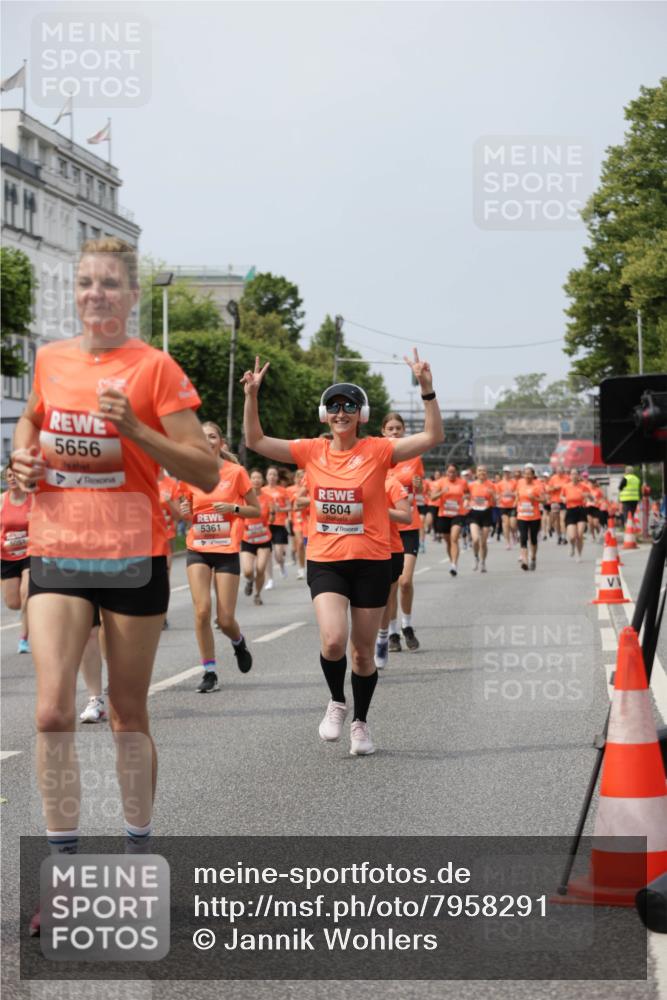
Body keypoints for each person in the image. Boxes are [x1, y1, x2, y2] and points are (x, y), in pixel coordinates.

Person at [11, 236, 218, 934]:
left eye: (109, 284)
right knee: (51, 714)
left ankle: (135, 866)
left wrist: (135, 428)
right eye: (85, 283)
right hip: (57, 554)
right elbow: (33, 420)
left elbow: (205, 472)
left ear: (131, 297)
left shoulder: (155, 369)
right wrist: (20, 461)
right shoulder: (50, 359)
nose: (96, 294)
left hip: (132, 558)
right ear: (75, 294)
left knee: (127, 718)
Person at [242, 350, 444, 756]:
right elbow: (256, 441)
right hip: (327, 560)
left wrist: (427, 390)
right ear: (324, 415)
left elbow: (432, 438)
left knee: (363, 653)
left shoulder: (378, 451)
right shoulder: (310, 451)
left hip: (371, 561)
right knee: (334, 642)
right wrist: (251, 396)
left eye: (349, 406)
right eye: (333, 406)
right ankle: (337, 701)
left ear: (361, 414)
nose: (341, 412)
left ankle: (361, 723)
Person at [179, 421, 259, 692]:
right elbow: (188, 515)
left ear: (220, 442)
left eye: (212, 436)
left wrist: (233, 507)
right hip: (198, 548)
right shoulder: (189, 474)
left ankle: (238, 642)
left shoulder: (236, 473)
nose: (207, 440)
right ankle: (209, 671)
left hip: (226, 551)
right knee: (201, 610)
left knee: (225, 619)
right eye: (202, 437)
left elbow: (256, 510)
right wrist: (184, 511)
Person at [380, 412, 425, 652]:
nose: (395, 432)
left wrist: (419, 486)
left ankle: (407, 625)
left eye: (399, 428)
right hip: (386, 528)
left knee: (405, 581)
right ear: (383, 432)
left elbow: (419, 487)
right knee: (391, 585)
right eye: (391, 429)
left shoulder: (413, 456)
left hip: (408, 525)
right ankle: (393, 632)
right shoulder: (378, 458)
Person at [374, 477, 411, 669]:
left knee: (386, 597)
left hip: (389, 549)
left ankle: (382, 638)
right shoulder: (349, 479)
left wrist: (379, 511)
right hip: (357, 548)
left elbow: (406, 516)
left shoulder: (391, 483)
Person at [1, 460, 33, 653]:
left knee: (26, 592)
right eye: (9, 475)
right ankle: (35, 612)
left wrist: (28, 540)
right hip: (6, 556)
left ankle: (24, 639)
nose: (12, 478)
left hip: (30, 553)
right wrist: (5, 544)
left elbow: (41, 525)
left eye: (16, 475)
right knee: (14, 603)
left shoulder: (33, 499)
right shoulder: (1, 501)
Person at [240, 468, 274, 605]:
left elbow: (272, 516)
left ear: (262, 481)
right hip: (247, 538)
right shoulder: (244, 498)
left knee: (260, 569)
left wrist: (271, 517)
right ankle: (249, 581)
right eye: (253, 478)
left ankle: (257, 594)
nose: (256, 480)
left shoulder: (268, 498)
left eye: (259, 478)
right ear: (249, 481)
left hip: (264, 538)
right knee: (248, 571)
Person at [429, 464, 469, 577]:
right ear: (446, 472)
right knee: (447, 541)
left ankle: (454, 565)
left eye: (453, 472)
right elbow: (432, 498)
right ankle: (452, 560)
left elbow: (467, 493)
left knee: (454, 538)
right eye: (449, 472)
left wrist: (466, 500)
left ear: (456, 472)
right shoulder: (441, 482)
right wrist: (442, 492)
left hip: (457, 514)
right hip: (444, 514)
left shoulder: (462, 482)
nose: (451, 474)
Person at [516, 463, 545, 571]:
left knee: (533, 540)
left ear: (533, 475)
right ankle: (525, 561)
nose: (527, 476)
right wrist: (516, 502)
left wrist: (535, 499)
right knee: (523, 538)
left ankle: (533, 558)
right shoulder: (519, 483)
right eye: (525, 474)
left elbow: (544, 500)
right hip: (522, 516)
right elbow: (517, 494)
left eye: (529, 474)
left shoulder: (537, 486)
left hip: (534, 517)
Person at [468, 465, 496, 573]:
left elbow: (494, 503)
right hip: (474, 514)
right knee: (475, 539)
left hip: (486, 514)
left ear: (486, 472)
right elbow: (466, 498)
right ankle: (476, 557)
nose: (482, 472)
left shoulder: (491, 485)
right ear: (476, 472)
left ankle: (483, 562)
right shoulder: (471, 485)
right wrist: (466, 503)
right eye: (479, 470)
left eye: (484, 470)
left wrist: (492, 495)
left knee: (483, 542)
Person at [562, 469, 593, 562]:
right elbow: (562, 496)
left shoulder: (584, 486)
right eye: (572, 474)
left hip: (581, 510)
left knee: (579, 535)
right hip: (570, 511)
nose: (574, 476)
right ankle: (572, 546)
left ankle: (579, 555)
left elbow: (591, 497)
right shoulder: (566, 486)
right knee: (572, 536)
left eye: (576, 474)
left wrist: (587, 495)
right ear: (570, 476)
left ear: (578, 476)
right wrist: (563, 499)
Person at [286, 468, 307, 580]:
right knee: (299, 544)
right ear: (296, 478)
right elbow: (290, 505)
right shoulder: (291, 490)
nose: (301, 479)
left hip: (309, 521)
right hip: (297, 521)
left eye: (303, 477)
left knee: (308, 545)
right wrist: (288, 516)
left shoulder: (310, 487)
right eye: (299, 476)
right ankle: (301, 569)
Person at [497, 466, 517, 550]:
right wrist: (499, 497)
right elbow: (497, 495)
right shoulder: (499, 483)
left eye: (508, 472)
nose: (506, 473)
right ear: (503, 473)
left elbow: (517, 493)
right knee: (505, 524)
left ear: (510, 473)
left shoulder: (514, 482)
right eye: (505, 472)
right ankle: (507, 542)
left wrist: (512, 494)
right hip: (503, 506)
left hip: (512, 506)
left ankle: (514, 534)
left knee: (512, 524)